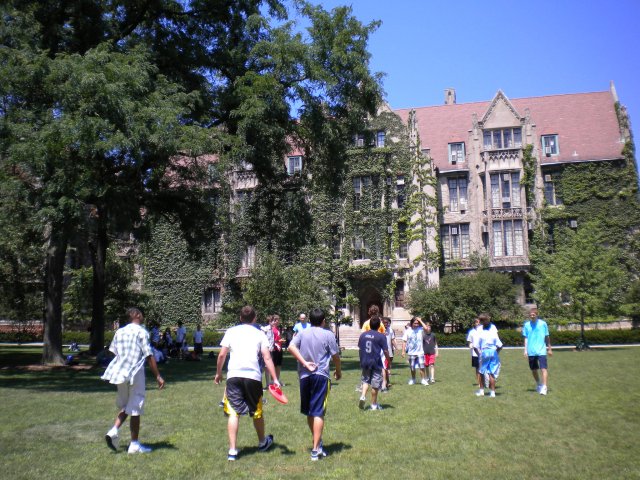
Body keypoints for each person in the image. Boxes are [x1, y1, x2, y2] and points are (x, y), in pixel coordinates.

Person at [214, 306, 279, 461]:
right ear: (255, 318)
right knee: (256, 412)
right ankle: (262, 442)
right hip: (253, 377)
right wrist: (275, 379)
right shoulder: (259, 334)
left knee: (233, 412)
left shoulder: (231, 331)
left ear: (240, 318)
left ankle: (232, 451)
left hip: (234, 376)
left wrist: (218, 373)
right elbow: (267, 357)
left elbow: (222, 354)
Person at [101, 307, 165, 454]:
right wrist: (158, 376)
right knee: (136, 407)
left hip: (119, 373)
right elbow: (149, 355)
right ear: (135, 315)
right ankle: (134, 444)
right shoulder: (141, 332)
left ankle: (113, 430)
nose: (142, 316)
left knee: (126, 405)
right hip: (135, 372)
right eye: (140, 314)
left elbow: (114, 352)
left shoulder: (119, 332)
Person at [287, 308, 342, 461]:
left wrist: (304, 363)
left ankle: (317, 442)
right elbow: (335, 356)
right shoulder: (328, 334)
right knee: (318, 411)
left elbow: (291, 347)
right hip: (321, 375)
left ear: (309, 320)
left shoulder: (302, 333)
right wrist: (338, 371)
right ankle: (316, 449)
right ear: (324, 321)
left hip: (304, 376)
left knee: (310, 411)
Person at [357, 316, 389, 410]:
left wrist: (361, 359)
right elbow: (386, 351)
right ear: (379, 325)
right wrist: (388, 360)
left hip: (365, 360)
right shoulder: (381, 336)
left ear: (369, 325)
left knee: (365, 380)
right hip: (375, 362)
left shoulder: (363, 335)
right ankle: (374, 404)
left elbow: (360, 347)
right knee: (375, 384)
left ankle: (363, 396)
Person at [523, 307, 552, 395]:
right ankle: (539, 384)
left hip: (541, 350)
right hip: (531, 350)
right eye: (530, 315)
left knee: (543, 368)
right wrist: (525, 350)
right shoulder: (526, 325)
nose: (532, 316)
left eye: (533, 315)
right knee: (534, 369)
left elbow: (547, 337)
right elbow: (526, 338)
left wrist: (549, 348)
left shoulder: (543, 324)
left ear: (537, 315)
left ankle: (544, 387)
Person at [475, 313, 503, 398]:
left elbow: (475, 346)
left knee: (480, 372)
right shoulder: (493, 329)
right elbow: (500, 345)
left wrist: (479, 354)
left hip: (484, 352)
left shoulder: (480, 331)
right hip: (493, 352)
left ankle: (481, 391)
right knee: (492, 373)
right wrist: (496, 353)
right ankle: (493, 392)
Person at [401, 316, 429, 385]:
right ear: (411, 323)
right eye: (415, 323)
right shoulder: (408, 331)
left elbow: (426, 328)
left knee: (422, 367)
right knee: (412, 367)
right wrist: (403, 351)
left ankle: (423, 380)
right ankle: (413, 379)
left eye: (417, 323)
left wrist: (420, 320)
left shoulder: (420, 329)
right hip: (411, 352)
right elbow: (404, 341)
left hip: (420, 352)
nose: (416, 324)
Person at [466, 318, 483, 395]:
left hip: (482, 352)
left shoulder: (483, 331)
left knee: (483, 367)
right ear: (474, 323)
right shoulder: (471, 332)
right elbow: (469, 341)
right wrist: (470, 344)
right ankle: (479, 382)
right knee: (477, 368)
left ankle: (485, 382)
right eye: (476, 322)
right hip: (475, 353)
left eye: (479, 322)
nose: (478, 323)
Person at [381, 317, 396, 390]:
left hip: (389, 351)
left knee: (386, 367)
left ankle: (386, 381)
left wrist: (396, 347)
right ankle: (385, 382)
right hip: (381, 352)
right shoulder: (379, 330)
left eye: (387, 323)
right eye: (384, 323)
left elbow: (392, 339)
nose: (386, 324)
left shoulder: (390, 330)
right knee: (384, 368)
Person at [269, 315, 284, 385]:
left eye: (278, 320)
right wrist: (279, 340)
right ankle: (272, 380)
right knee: (274, 365)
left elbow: (278, 338)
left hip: (279, 349)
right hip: (274, 349)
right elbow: (272, 340)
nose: (278, 321)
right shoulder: (272, 329)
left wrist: (280, 340)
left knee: (278, 365)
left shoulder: (277, 329)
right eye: (276, 320)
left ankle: (277, 379)